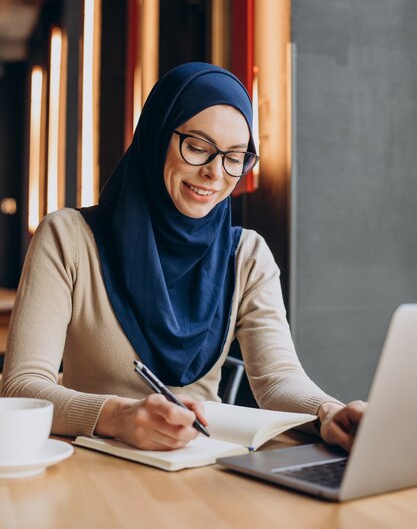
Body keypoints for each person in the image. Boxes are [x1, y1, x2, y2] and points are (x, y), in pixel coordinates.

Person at [1, 62, 365, 452]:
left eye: (235, 156)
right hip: (92, 472)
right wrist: (118, 417)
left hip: (200, 468)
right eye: (197, 147)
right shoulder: (68, 238)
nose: (215, 172)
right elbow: (22, 387)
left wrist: (327, 412)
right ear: (157, 138)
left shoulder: (247, 256)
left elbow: (277, 379)